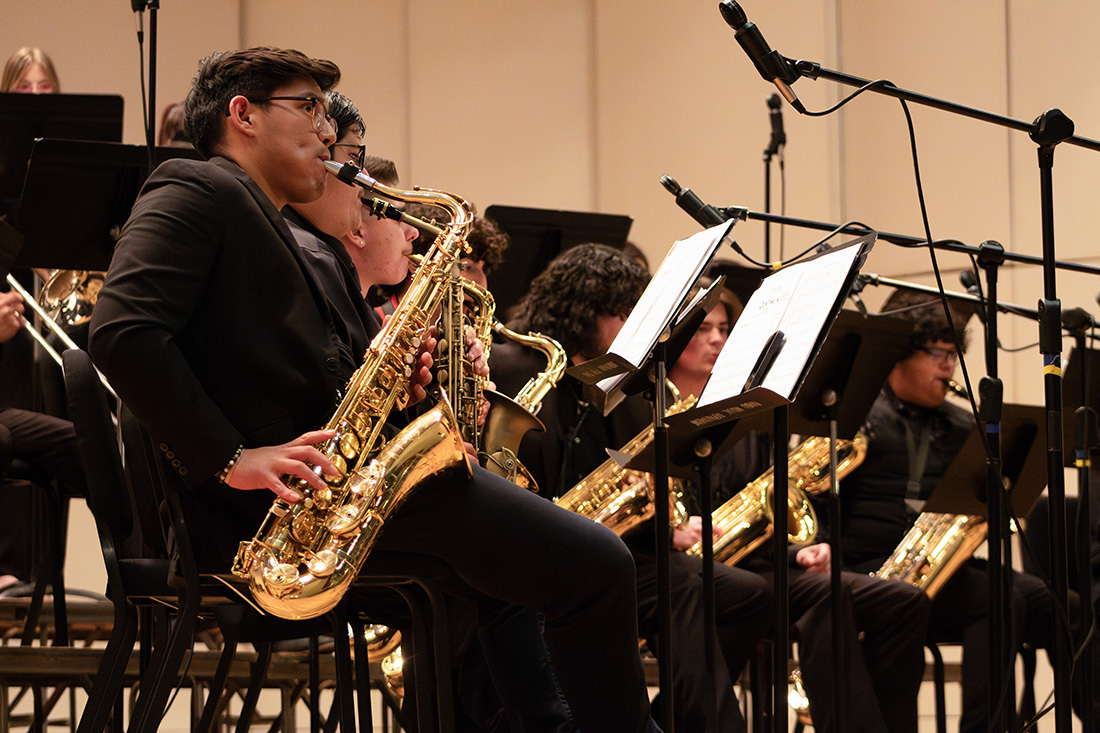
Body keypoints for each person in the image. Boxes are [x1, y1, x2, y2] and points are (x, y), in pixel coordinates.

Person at [88, 46, 659, 733]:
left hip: (337, 494)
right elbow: (121, 331)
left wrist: (408, 386)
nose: (328, 132)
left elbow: (322, 371)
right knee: (601, 564)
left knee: (509, 583)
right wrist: (232, 456)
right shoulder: (194, 187)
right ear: (242, 113)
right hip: (286, 516)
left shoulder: (298, 237)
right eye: (309, 108)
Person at [493, 243, 773, 733]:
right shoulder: (520, 369)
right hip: (539, 552)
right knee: (684, 585)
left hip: (616, 548)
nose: (634, 330)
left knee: (747, 592)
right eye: (623, 314)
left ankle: (671, 719)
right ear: (585, 312)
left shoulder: (624, 384)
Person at [674, 284, 930, 733]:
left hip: (759, 565)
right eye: (704, 328)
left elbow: (772, 508)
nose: (717, 339)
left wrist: (802, 552)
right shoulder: (652, 412)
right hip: (694, 570)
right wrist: (678, 524)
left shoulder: (746, 414)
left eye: (724, 328)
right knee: (827, 595)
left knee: (903, 599)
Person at [835, 288, 1088, 732]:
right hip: (867, 568)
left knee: (1063, 605)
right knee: (997, 599)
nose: (948, 366)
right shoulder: (855, 415)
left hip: (940, 567)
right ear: (899, 355)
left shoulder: (964, 424)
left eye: (954, 355)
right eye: (937, 353)